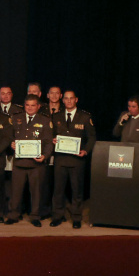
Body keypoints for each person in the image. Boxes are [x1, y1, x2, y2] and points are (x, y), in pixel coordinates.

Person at [50, 90, 96, 229]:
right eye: (66, 98)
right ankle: (57, 216)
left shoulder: (85, 117)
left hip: (77, 160)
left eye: (71, 98)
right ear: (63, 100)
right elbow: (51, 134)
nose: (69, 101)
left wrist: (85, 150)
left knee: (77, 191)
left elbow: (92, 137)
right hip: (60, 159)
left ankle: (76, 217)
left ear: (76, 100)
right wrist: (52, 140)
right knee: (58, 190)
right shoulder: (56, 116)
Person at [6, 94, 54, 226]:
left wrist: (45, 156)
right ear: (24, 105)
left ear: (38, 106)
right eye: (27, 105)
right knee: (16, 191)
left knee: (36, 192)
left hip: (36, 163)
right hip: (19, 163)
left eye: (33, 105)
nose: (30, 108)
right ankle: (14, 215)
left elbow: (49, 142)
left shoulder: (45, 120)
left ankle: (35, 216)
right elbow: (9, 137)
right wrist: (12, 144)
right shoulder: (15, 118)